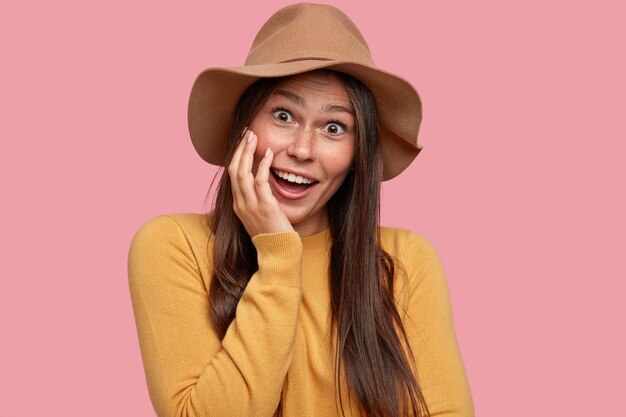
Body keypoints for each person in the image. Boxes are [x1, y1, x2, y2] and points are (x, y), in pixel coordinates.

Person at [128, 3, 474, 417]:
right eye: (283, 115)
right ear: (244, 126)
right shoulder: (173, 244)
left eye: (334, 127)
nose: (303, 150)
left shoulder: (407, 260)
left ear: (357, 152)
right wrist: (277, 254)